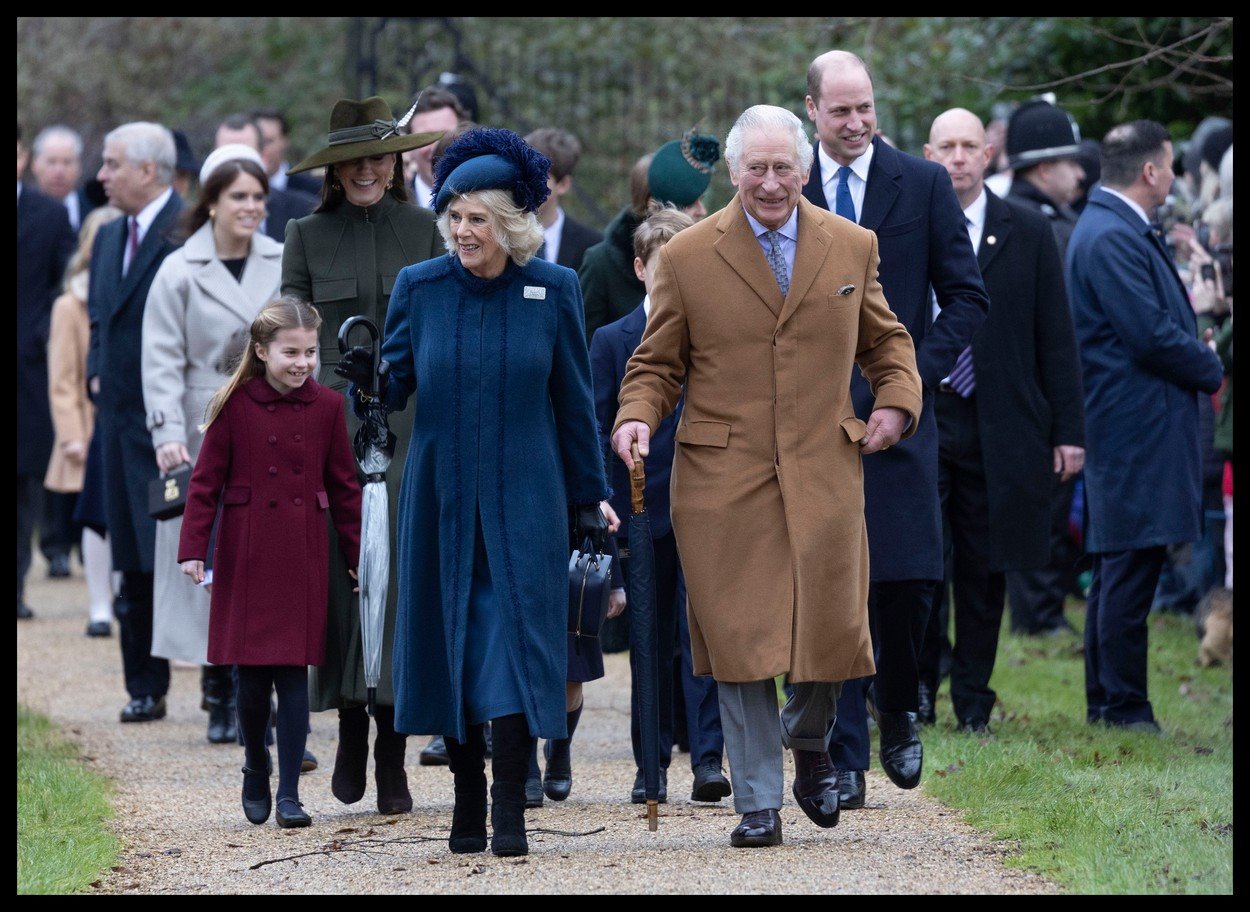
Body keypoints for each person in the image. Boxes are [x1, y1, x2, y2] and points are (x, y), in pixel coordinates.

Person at [612, 104, 922, 849]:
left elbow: (888, 342)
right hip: (723, 476)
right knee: (739, 638)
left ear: (806, 170)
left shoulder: (851, 246)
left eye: (785, 168)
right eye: (757, 168)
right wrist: (635, 415)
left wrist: (896, 403)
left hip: (823, 466)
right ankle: (757, 800)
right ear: (734, 172)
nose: (772, 182)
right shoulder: (688, 255)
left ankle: (810, 744)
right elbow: (657, 362)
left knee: (827, 628)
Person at [338, 127, 612, 857]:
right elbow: (394, 384)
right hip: (442, 495)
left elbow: (575, 401)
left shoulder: (552, 290)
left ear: (511, 224)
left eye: (477, 219)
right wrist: (369, 376)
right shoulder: (419, 288)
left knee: (517, 646)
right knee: (451, 643)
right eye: (454, 216)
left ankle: (512, 809)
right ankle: (466, 800)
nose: (463, 231)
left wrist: (589, 501)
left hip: (528, 495)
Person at [801, 50, 989, 809]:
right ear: (811, 108)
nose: (856, 122)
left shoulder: (925, 182)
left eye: (865, 107)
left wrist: (907, 378)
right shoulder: (786, 184)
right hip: (813, 421)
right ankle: (844, 754)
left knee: (908, 578)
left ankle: (900, 705)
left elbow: (966, 298)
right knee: (831, 584)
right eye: (841, 110)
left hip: (901, 415)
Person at [281, 96, 445, 814]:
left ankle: (391, 746)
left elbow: (444, 320)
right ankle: (350, 722)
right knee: (348, 577)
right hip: (337, 422)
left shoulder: (427, 229)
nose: (367, 170)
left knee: (399, 575)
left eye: (379, 157)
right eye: (353, 161)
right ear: (335, 170)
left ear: (397, 162)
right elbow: (287, 328)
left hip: (411, 422)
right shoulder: (306, 234)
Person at [916, 109, 1085, 732]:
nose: (959, 157)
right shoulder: (909, 226)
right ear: (929, 156)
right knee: (924, 562)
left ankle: (973, 700)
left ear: (990, 155)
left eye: (970, 146)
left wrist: (1069, 431)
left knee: (986, 570)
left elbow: (1056, 337)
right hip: (926, 414)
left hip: (1002, 420)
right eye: (947, 147)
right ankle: (915, 693)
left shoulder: (1030, 229)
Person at [178, 296, 361, 828]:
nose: (302, 363)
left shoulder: (328, 406)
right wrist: (194, 549)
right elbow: (205, 484)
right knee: (252, 680)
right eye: (290, 353)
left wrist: (355, 556)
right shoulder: (233, 405)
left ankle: (289, 794)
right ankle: (255, 767)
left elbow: (345, 489)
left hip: (303, 551)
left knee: (294, 676)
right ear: (261, 351)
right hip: (246, 551)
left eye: (309, 352)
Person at [1069, 121, 1223, 734]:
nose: (1176, 178)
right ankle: (1123, 707)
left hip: (1136, 423)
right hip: (1136, 427)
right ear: (1152, 171)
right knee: (1128, 570)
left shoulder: (1116, 226)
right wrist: (1208, 362)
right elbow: (1148, 334)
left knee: (1118, 568)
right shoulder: (1111, 234)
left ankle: (1109, 703)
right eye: (1170, 166)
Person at [589, 205, 731, 806]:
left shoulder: (714, 335)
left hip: (702, 504)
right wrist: (600, 498)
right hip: (638, 511)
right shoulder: (612, 339)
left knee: (704, 637)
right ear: (642, 269)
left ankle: (707, 761)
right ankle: (650, 766)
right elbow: (596, 424)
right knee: (648, 640)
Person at [141, 144, 283, 744]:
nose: (250, 207)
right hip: (205, 422)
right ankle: (218, 689)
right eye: (238, 197)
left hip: (274, 420)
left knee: (267, 555)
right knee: (207, 555)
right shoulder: (178, 269)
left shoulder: (281, 260)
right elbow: (160, 358)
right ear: (213, 203)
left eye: (257, 197)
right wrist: (166, 432)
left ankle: (265, 683)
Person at [87, 121, 184, 720]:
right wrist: (97, 368)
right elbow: (102, 318)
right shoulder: (105, 237)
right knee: (131, 556)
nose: (102, 176)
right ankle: (144, 685)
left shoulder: (185, 232)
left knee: (186, 552)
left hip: (169, 423)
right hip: (117, 423)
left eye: (112, 163)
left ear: (148, 171)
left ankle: (220, 689)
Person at [46, 204, 123, 637]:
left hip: (127, 422)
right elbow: (62, 378)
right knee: (97, 516)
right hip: (89, 425)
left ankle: (121, 597)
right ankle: (98, 606)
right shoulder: (68, 304)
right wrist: (72, 435)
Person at [579, 131, 720, 344]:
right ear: (654, 205)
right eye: (691, 202)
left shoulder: (707, 256)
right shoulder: (601, 264)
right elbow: (584, 350)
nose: (702, 210)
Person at [18, 123, 76, 618]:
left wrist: (42, 334)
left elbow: (64, 283)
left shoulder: (51, 216)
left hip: (28, 368)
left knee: (22, 482)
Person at [215, 113, 316, 244]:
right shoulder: (196, 219)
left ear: (263, 156)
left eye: (245, 156)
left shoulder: (305, 213)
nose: (236, 167)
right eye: (226, 156)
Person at [525, 128, 602, 272]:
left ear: (563, 184)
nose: (528, 186)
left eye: (540, 179)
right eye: (525, 175)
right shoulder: (501, 238)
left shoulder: (592, 246)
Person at [401, 86, 466, 208]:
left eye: (446, 135)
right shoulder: (396, 204)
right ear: (410, 147)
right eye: (426, 137)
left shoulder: (486, 203)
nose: (437, 146)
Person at [30, 125, 94, 231]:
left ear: (79, 166)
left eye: (67, 162)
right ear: (34, 164)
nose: (59, 172)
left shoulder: (94, 210)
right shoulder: (22, 210)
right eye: (51, 162)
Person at [251, 108, 323, 196]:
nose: (262, 148)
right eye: (257, 141)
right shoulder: (234, 186)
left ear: (285, 142)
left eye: (268, 141)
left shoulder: (312, 189)